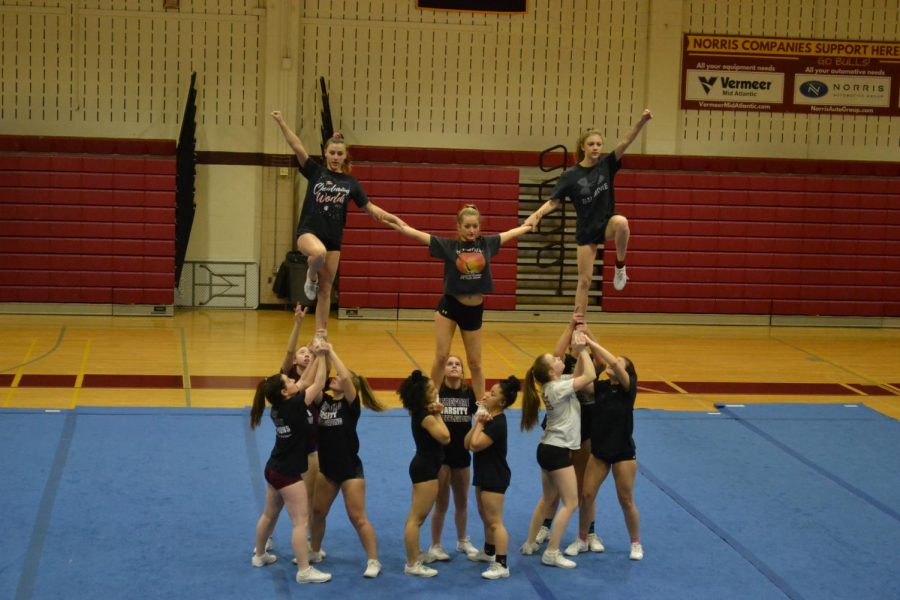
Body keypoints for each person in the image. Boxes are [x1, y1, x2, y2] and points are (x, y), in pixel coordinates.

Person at [271, 110, 406, 340]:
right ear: (325, 153)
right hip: (308, 233)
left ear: (345, 157)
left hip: (334, 240)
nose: (335, 157)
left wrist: (395, 220)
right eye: (331, 153)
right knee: (318, 254)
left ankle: (320, 335)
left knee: (325, 292)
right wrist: (282, 122)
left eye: (339, 154)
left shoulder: (350, 183)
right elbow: (297, 146)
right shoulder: (316, 172)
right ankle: (310, 277)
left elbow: (370, 208)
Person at [388, 204, 532, 400]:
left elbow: (510, 233)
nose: (472, 230)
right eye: (467, 226)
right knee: (441, 357)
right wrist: (395, 223)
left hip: (473, 311)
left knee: (475, 363)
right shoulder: (449, 246)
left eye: (475, 226)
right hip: (450, 306)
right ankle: (432, 399)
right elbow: (417, 234)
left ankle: (481, 404)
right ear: (458, 227)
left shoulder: (486, 244)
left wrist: (529, 225)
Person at [526, 109, 653, 311]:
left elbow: (626, 142)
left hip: (606, 223)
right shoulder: (571, 176)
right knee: (584, 281)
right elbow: (553, 201)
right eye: (591, 144)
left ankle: (620, 266)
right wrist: (536, 214)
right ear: (583, 147)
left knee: (622, 223)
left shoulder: (606, 165)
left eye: (599, 144)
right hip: (587, 230)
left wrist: (642, 121)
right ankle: (579, 323)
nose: (595, 148)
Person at [249, 341, 331, 585]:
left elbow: (304, 381)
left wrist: (315, 355)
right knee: (300, 522)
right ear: (286, 392)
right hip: (287, 474)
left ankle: (260, 554)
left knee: (269, 514)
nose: (294, 381)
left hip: (273, 468)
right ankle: (304, 570)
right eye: (289, 382)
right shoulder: (295, 405)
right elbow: (316, 384)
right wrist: (323, 358)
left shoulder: (279, 406)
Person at [519, 329, 596, 569]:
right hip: (557, 450)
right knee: (571, 503)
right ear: (552, 371)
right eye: (554, 360)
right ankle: (552, 551)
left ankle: (531, 542)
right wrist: (583, 351)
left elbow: (581, 373)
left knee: (547, 499)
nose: (558, 358)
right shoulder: (558, 387)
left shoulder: (555, 384)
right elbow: (590, 375)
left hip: (547, 448)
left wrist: (580, 346)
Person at [307, 344, 386, 578]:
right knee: (318, 512)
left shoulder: (351, 405)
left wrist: (330, 350)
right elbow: (317, 383)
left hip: (350, 469)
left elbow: (345, 377)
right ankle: (314, 550)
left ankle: (373, 560)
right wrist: (320, 355)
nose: (335, 378)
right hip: (327, 469)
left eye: (341, 379)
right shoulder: (325, 402)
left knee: (357, 518)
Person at [574, 333, 643, 561]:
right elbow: (587, 376)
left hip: (623, 452)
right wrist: (584, 344)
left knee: (626, 499)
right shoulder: (601, 387)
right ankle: (582, 538)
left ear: (626, 371)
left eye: (620, 362)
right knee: (586, 495)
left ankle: (635, 542)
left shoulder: (627, 388)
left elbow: (611, 362)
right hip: (600, 452)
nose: (615, 363)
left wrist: (591, 343)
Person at [425, 355, 480, 562]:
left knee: (462, 502)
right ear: (444, 369)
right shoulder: (437, 393)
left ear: (463, 371)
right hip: (441, 455)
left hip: (462, 455)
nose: (454, 366)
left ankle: (462, 540)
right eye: (450, 364)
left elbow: (479, 417)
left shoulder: (469, 393)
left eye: (458, 364)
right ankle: (436, 545)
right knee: (441, 503)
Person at [465, 376, 520, 580]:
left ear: (502, 402)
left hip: (495, 476)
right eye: (489, 390)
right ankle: (489, 551)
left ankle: (502, 563)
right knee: (485, 517)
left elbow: (475, 445)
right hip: (483, 473)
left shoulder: (497, 423)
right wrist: (479, 421)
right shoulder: (489, 418)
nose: (487, 394)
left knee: (495, 521)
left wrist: (479, 422)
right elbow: (466, 442)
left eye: (493, 394)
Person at [398, 370, 451, 577]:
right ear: (422, 395)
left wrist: (435, 411)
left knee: (415, 516)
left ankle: (416, 553)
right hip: (426, 469)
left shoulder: (419, 411)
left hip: (424, 466)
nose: (435, 390)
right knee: (416, 519)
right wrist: (437, 413)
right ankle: (412, 564)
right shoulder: (427, 417)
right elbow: (446, 437)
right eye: (431, 389)